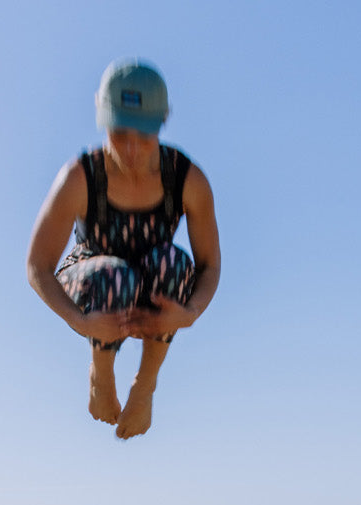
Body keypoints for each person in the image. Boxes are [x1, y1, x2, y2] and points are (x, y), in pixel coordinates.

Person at [26, 59, 220, 439]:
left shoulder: (188, 180)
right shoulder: (80, 177)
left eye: (144, 135)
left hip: (152, 281)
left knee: (174, 263)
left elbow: (209, 265)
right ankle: (101, 375)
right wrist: (79, 321)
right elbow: (37, 265)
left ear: (162, 122)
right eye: (119, 132)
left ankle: (145, 386)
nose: (131, 148)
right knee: (114, 274)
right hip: (94, 280)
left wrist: (190, 313)